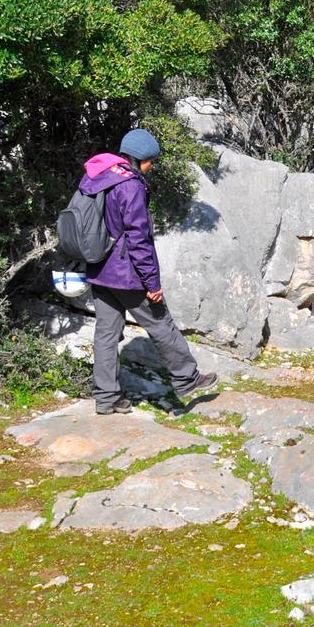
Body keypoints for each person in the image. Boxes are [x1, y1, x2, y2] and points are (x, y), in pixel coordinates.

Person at [81, 128, 216, 415]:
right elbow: (138, 240)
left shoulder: (98, 175)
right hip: (126, 275)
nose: (151, 166)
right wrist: (152, 283)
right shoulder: (130, 186)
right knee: (160, 323)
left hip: (98, 269)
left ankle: (106, 398)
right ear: (139, 158)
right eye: (150, 161)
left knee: (106, 335)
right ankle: (187, 379)